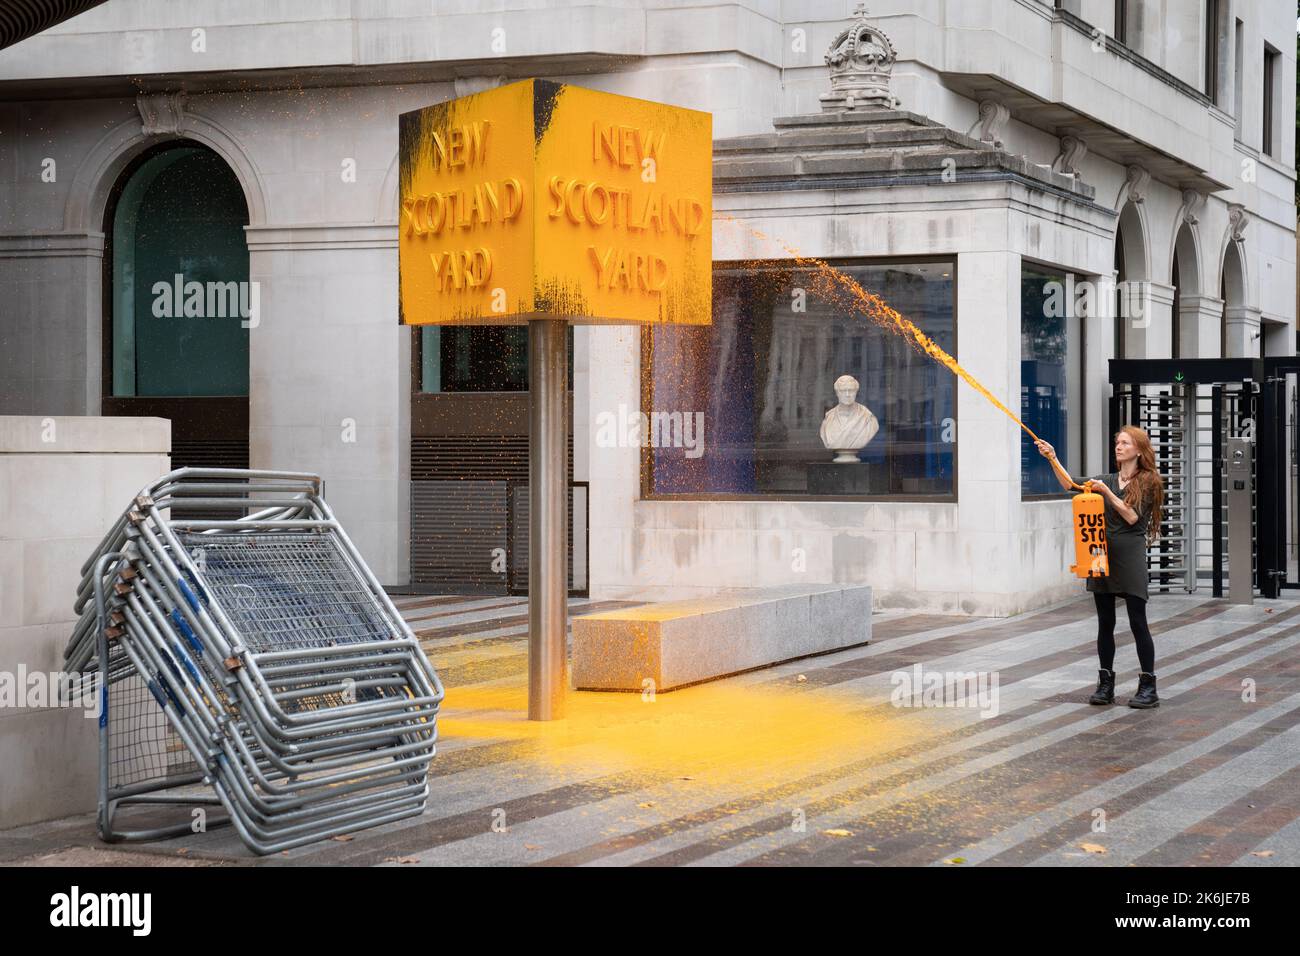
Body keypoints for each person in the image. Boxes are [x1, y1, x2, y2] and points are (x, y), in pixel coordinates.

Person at [1035, 426, 1164, 708]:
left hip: (1129, 552)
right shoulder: (1106, 478)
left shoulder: (1149, 481)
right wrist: (1052, 458)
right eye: (1117, 442)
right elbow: (1070, 484)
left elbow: (1131, 516)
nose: (1118, 447)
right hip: (1099, 552)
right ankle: (1105, 684)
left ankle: (1148, 686)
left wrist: (1106, 492)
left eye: (1125, 443)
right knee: (1105, 622)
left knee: (1137, 621)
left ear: (1139, 450)